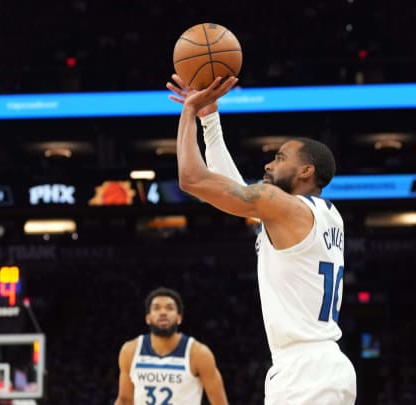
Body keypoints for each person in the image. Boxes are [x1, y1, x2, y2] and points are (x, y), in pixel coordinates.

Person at [168, 74, 357, 404]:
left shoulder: (286, 208)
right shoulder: (324, 214)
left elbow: (192, 179)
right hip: (318, 365)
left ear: (306, 171)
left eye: (281, 158)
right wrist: (209, 120)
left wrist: (189, 111)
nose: (269, 163)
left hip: (306, 372)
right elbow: (237, 192)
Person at [114, 287, 229, 405]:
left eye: (170, 308)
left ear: (179, 318)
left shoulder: (199, 354)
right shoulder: (130, 351)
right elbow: (125, 400)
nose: (163, 312)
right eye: (156, 308)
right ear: (148, 318)